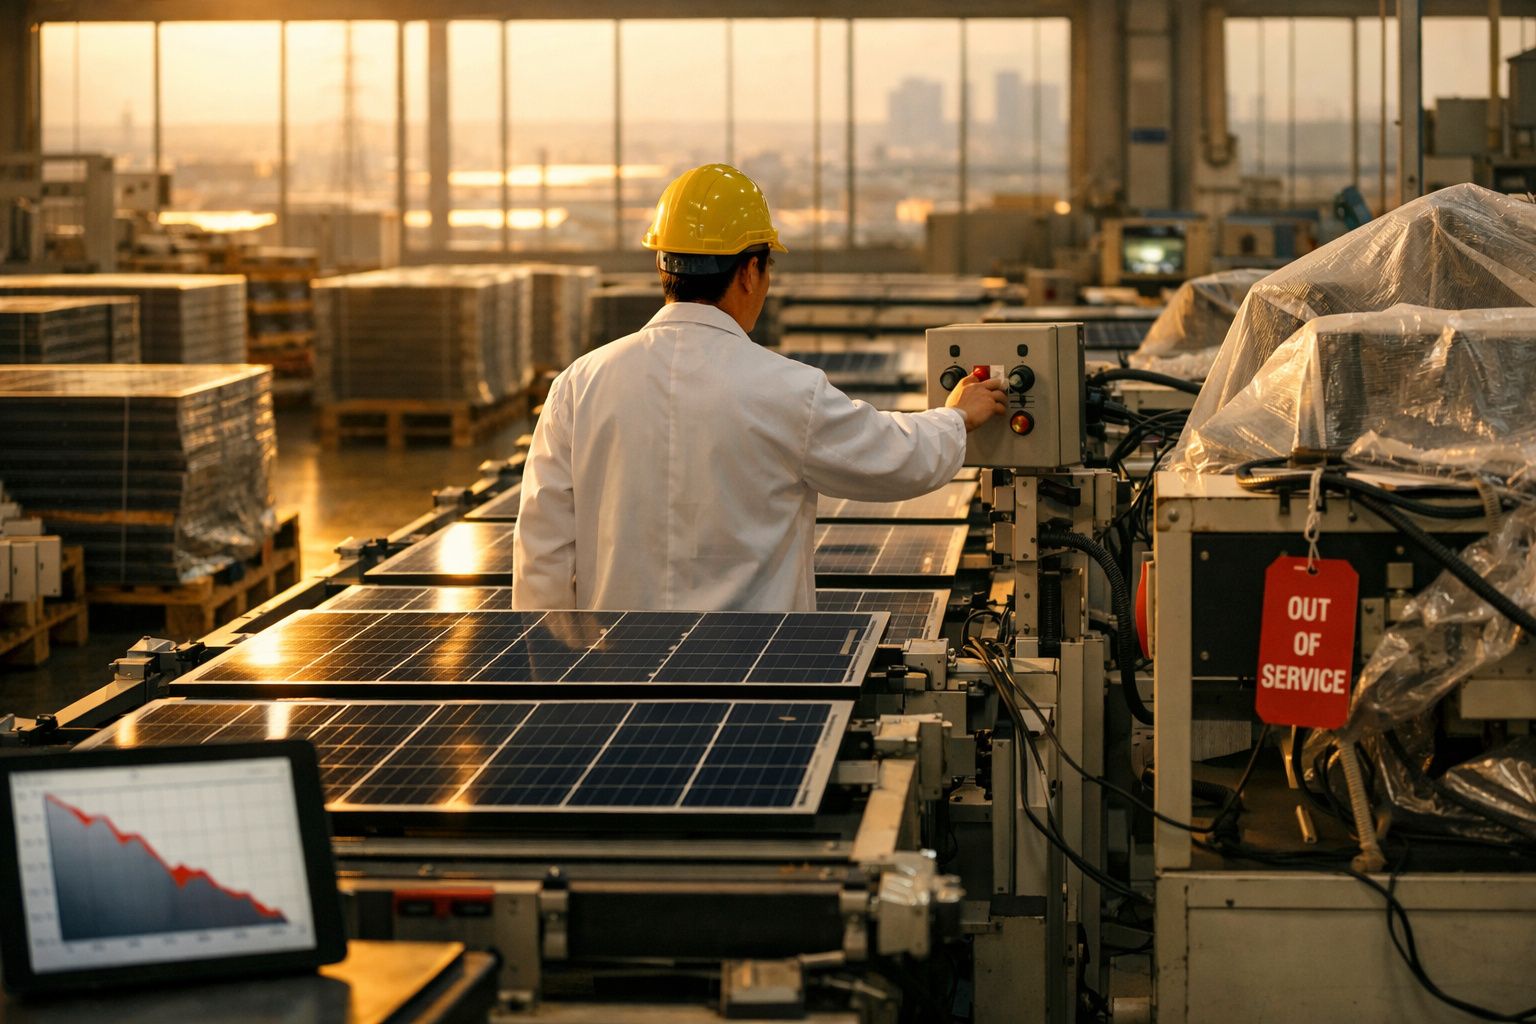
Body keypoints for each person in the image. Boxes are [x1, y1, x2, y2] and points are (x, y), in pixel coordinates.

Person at [513, 162, 1006, 612]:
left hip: (614, 684)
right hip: (754, 685)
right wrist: (958, 414)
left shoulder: (577, 386)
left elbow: (543, 552)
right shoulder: (787, 391)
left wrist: (556, 679)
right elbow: (896, 459)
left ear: (662, 266)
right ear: (751, 271)